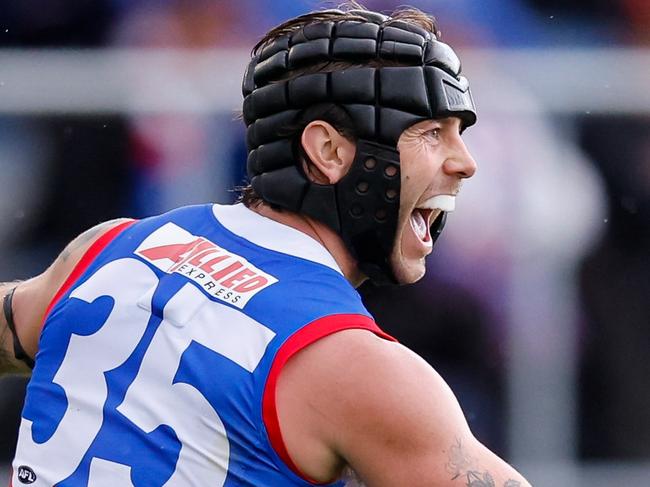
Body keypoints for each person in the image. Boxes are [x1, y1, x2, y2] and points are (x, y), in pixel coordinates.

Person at [0, 4, 532, 486]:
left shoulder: (112, 248)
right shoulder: (354, 366)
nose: (467, 162)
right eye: (431, 133)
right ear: (328, 150)